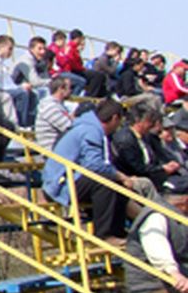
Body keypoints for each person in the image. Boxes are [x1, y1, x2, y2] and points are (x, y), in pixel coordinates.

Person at [41, 99, 140, 240]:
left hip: (70, 178)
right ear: (114, 118)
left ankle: (118, 232)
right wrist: (121, 176)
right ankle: (104, 235)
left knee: (116, 185)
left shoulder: (90, 128)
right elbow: (94, 165)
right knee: (105, 182)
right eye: (119, 122)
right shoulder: (91, 131)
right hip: (60, 184)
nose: (118, 127)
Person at [124, 195, 188, 293]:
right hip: (150, 290)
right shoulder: (156, 216)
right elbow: (155, 245)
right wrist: (176, 274)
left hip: (170, 286)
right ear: (185, 201)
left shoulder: (179, 219)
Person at [113, 101, 182, 194]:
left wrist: (169, 164)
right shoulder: (125, 140)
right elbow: (138, 168)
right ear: (138, 120)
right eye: (149, 121)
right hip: (139, 178)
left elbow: (160, 154)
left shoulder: (148, 136)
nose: (152, 125)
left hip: (156, 175)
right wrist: (162, 169)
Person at [0, 35, 34, 127]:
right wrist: (20, 87)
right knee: (22, 93)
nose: (11, 52)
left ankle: (31, 123)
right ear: (1, 47)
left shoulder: (2, 63)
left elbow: (8, 83)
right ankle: (22, 124)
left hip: (4, 87)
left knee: (34, 93)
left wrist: (20, 86)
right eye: (10, 49)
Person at [33, 76, 74, 150]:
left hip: (60, 145)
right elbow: (69, 128)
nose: (71, 91)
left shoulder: (58, 105)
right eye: (70, 87)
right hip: (52, 149)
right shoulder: (50, 107)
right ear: (60, 89)